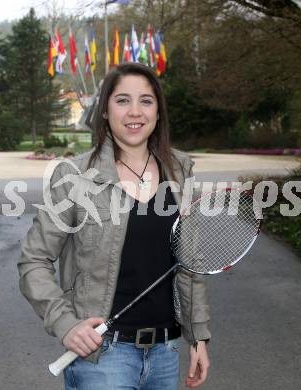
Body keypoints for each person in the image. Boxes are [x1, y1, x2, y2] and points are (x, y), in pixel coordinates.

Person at [18, 62, 211, 389]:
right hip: (102, 358)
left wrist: (199, 337)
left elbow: (188, 264)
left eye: (146, 101)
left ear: (158, 111)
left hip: (165, 353)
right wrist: (66, 324)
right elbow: (33, 260)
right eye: (122, 100)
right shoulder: (74, 175)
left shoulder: (180, 170)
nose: (135, 111)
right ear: (105, 110)